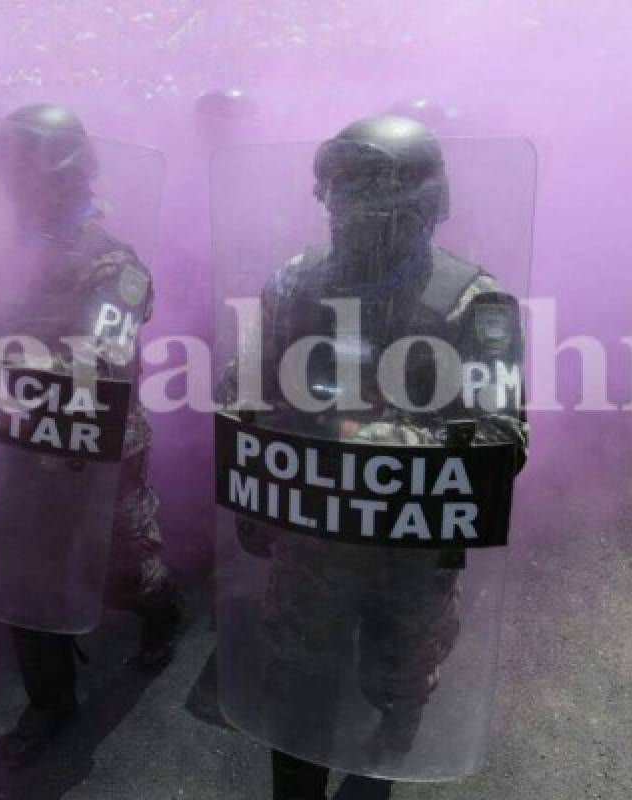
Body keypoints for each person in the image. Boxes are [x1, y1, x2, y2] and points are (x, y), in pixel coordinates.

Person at [223, 114, 528, 799]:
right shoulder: (291, 285)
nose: (350, 221)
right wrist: (249, 476)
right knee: (298, 684)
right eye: (343, 202)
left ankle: (378, 774)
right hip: (311, 539)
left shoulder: (475, 304)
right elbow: (240, 394)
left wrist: (359, 440)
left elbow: (498, 441)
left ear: (423, 211)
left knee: (396, 689)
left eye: (371, 208)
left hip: (409, 550)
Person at [0, 104, 184, 768]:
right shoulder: (13, 250)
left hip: (96, 450)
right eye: (8, 172)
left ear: (66, 176)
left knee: (123, 564)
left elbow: (102, 361)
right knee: (21, 563)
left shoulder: (111, 265)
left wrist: (10, 359)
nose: (11, 186)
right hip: (20, 435)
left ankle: (162, 612)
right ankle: (51, 701)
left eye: (25, 172)